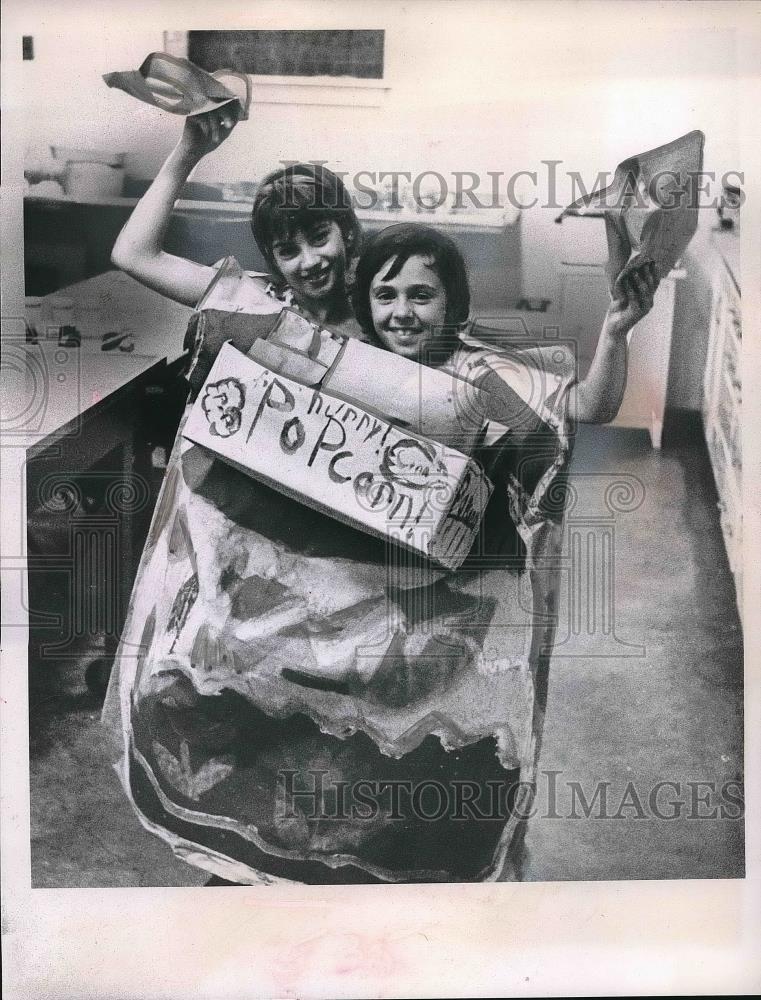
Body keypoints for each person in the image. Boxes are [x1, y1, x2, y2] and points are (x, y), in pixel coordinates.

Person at [110, 106, 362, 338]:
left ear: (347, 231)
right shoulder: (256, 301)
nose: (309, 262)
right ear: (272, 259)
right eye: (288, 251)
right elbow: (133, 255)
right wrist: (189, 150)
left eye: (319, 238)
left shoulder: (381, 309)